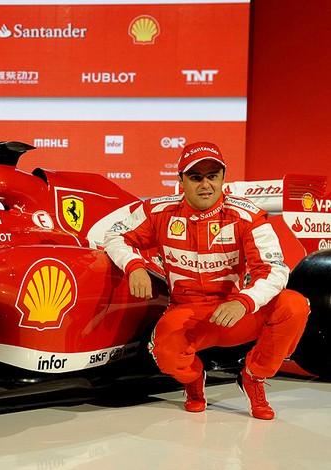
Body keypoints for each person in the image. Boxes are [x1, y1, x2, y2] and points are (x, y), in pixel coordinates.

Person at [103, 141, 309, 420]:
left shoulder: (246, 215)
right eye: (195, 177)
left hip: (233, 312)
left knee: (293, 306)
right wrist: (134, 265)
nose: (205, 185)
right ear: (181, 181)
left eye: (212, 176)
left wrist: (244, 301)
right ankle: (193, 382)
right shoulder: (157, 210)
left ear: (223, 178)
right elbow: (115, 235)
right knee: (166, 352)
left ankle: (253, 378)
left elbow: (275, 269)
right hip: (188, 312)